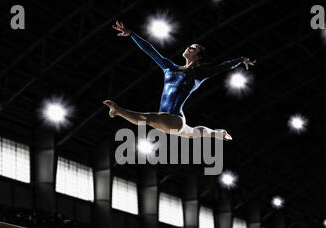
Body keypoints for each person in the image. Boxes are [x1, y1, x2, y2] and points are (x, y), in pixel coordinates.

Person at [104, 20, 256, 141]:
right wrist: (131, 34)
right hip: (168, 121)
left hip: (173, 119)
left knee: (149, 118)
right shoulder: (169, 67)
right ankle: (219, 134)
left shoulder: (199, 74)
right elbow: (150, 50)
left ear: (198, 57)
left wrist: (241, 59)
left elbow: (223, 66)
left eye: (193, 48)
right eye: (190, 45)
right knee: (196, 132)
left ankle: (118, 110)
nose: (189, 47)